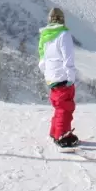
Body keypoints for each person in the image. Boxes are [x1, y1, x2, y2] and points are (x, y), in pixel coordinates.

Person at [38, 8, 78, 148]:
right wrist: (71, 76)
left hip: (51, 77)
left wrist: (48, 74)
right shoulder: (63, 34)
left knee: (58, 106)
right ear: (62, 19)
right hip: (63, 76)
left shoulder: (45, 36)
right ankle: (61, 135)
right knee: (65, 107)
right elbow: (68, 57)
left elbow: (42, 60)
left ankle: (55, 131)